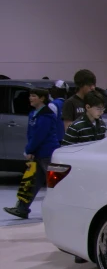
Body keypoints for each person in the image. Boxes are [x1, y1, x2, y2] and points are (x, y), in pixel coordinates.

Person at [3, 89, 60, 219]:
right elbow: (31, 134)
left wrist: (29, 150)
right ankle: (22, 208)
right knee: (32, 182)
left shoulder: (46, 115)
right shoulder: (33, 113)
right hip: (38, 153)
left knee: (55, 183)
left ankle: (63, 208)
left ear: (42, 98)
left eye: (34, 96)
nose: (30, 98)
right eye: (30, 96)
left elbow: (40, 135)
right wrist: (31, 150)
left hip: (46, 153)